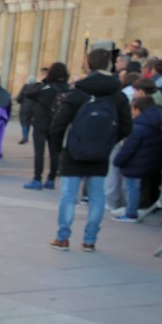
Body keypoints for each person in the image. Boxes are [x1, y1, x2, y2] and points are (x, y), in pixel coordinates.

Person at [48, 48, 133, 252]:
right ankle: (89, 240)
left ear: (88, 63)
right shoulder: (117, 95)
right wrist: (108, 142)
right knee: (97, 197)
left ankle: (63, 238)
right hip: (100, 154)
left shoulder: (79, 92)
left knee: (68, 196)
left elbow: (58, 125)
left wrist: (60, 148)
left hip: (74, 151)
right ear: (109, 64)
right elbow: (127, 127)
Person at [112, 97, 162, 223]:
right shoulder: (155, 123)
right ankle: (133, 209)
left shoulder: (139, 126)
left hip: (135, 163)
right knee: (139, 188)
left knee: (131, 188)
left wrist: (118, 161)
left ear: (138, 110)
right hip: (150, 161)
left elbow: (129, 147)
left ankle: (131, 213)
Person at [24, 62, 70, 189]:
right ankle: (51, 179)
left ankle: (37, 179)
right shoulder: (67, 88)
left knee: (39, 152)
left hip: (41, 122)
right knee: (54, 152)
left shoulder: (46, 87)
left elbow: (29, 94)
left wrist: (39, 81)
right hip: (57, 123)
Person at [16, 71, 43, 144]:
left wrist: (21, 102)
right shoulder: (38, 87)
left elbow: (19, 98)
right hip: (35, 107)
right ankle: (37, 138)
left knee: (25, 122)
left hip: (25, 107)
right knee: (34, 122)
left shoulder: (25, 86)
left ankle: (25, 137)